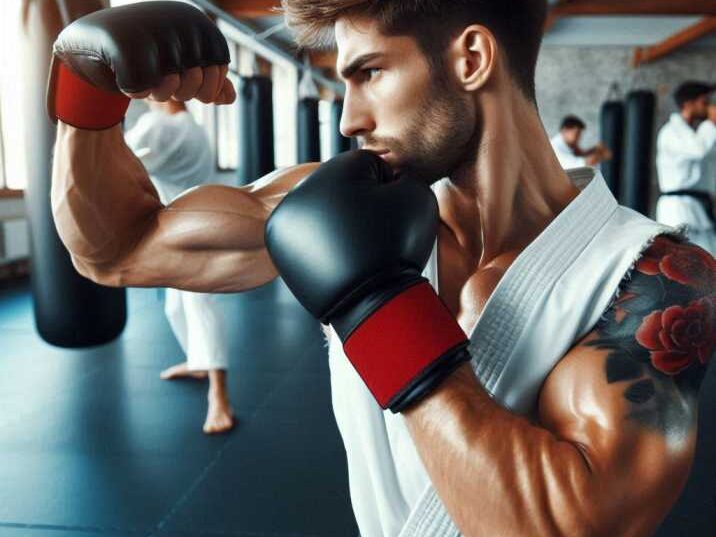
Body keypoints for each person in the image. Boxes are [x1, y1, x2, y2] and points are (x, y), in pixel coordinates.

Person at [47, 2, 714, 537]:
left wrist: (380, 307)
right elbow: (114, 250)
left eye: (368, 73)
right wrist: (87, 98)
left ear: (472, 58)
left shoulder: (658, 274)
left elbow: (569, 524)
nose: (348, 119)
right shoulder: (336, 203)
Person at [122, 98, 235, 435]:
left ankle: (220, 397)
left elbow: (109, 159)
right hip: (187, 226)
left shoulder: (160, 128)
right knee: (176, 306)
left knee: (199, 306)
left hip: (187, 231)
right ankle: (199, 363)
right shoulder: (192, 126)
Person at [656, 81, 716, 254]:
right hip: (679, 208)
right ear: (688, 104)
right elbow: (699, 150)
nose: (708, 107)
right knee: (691, 262)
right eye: (704, 103)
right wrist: (712, 122)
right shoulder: (671, 132)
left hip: (698, 206)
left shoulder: (693, 134)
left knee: (709, 259)